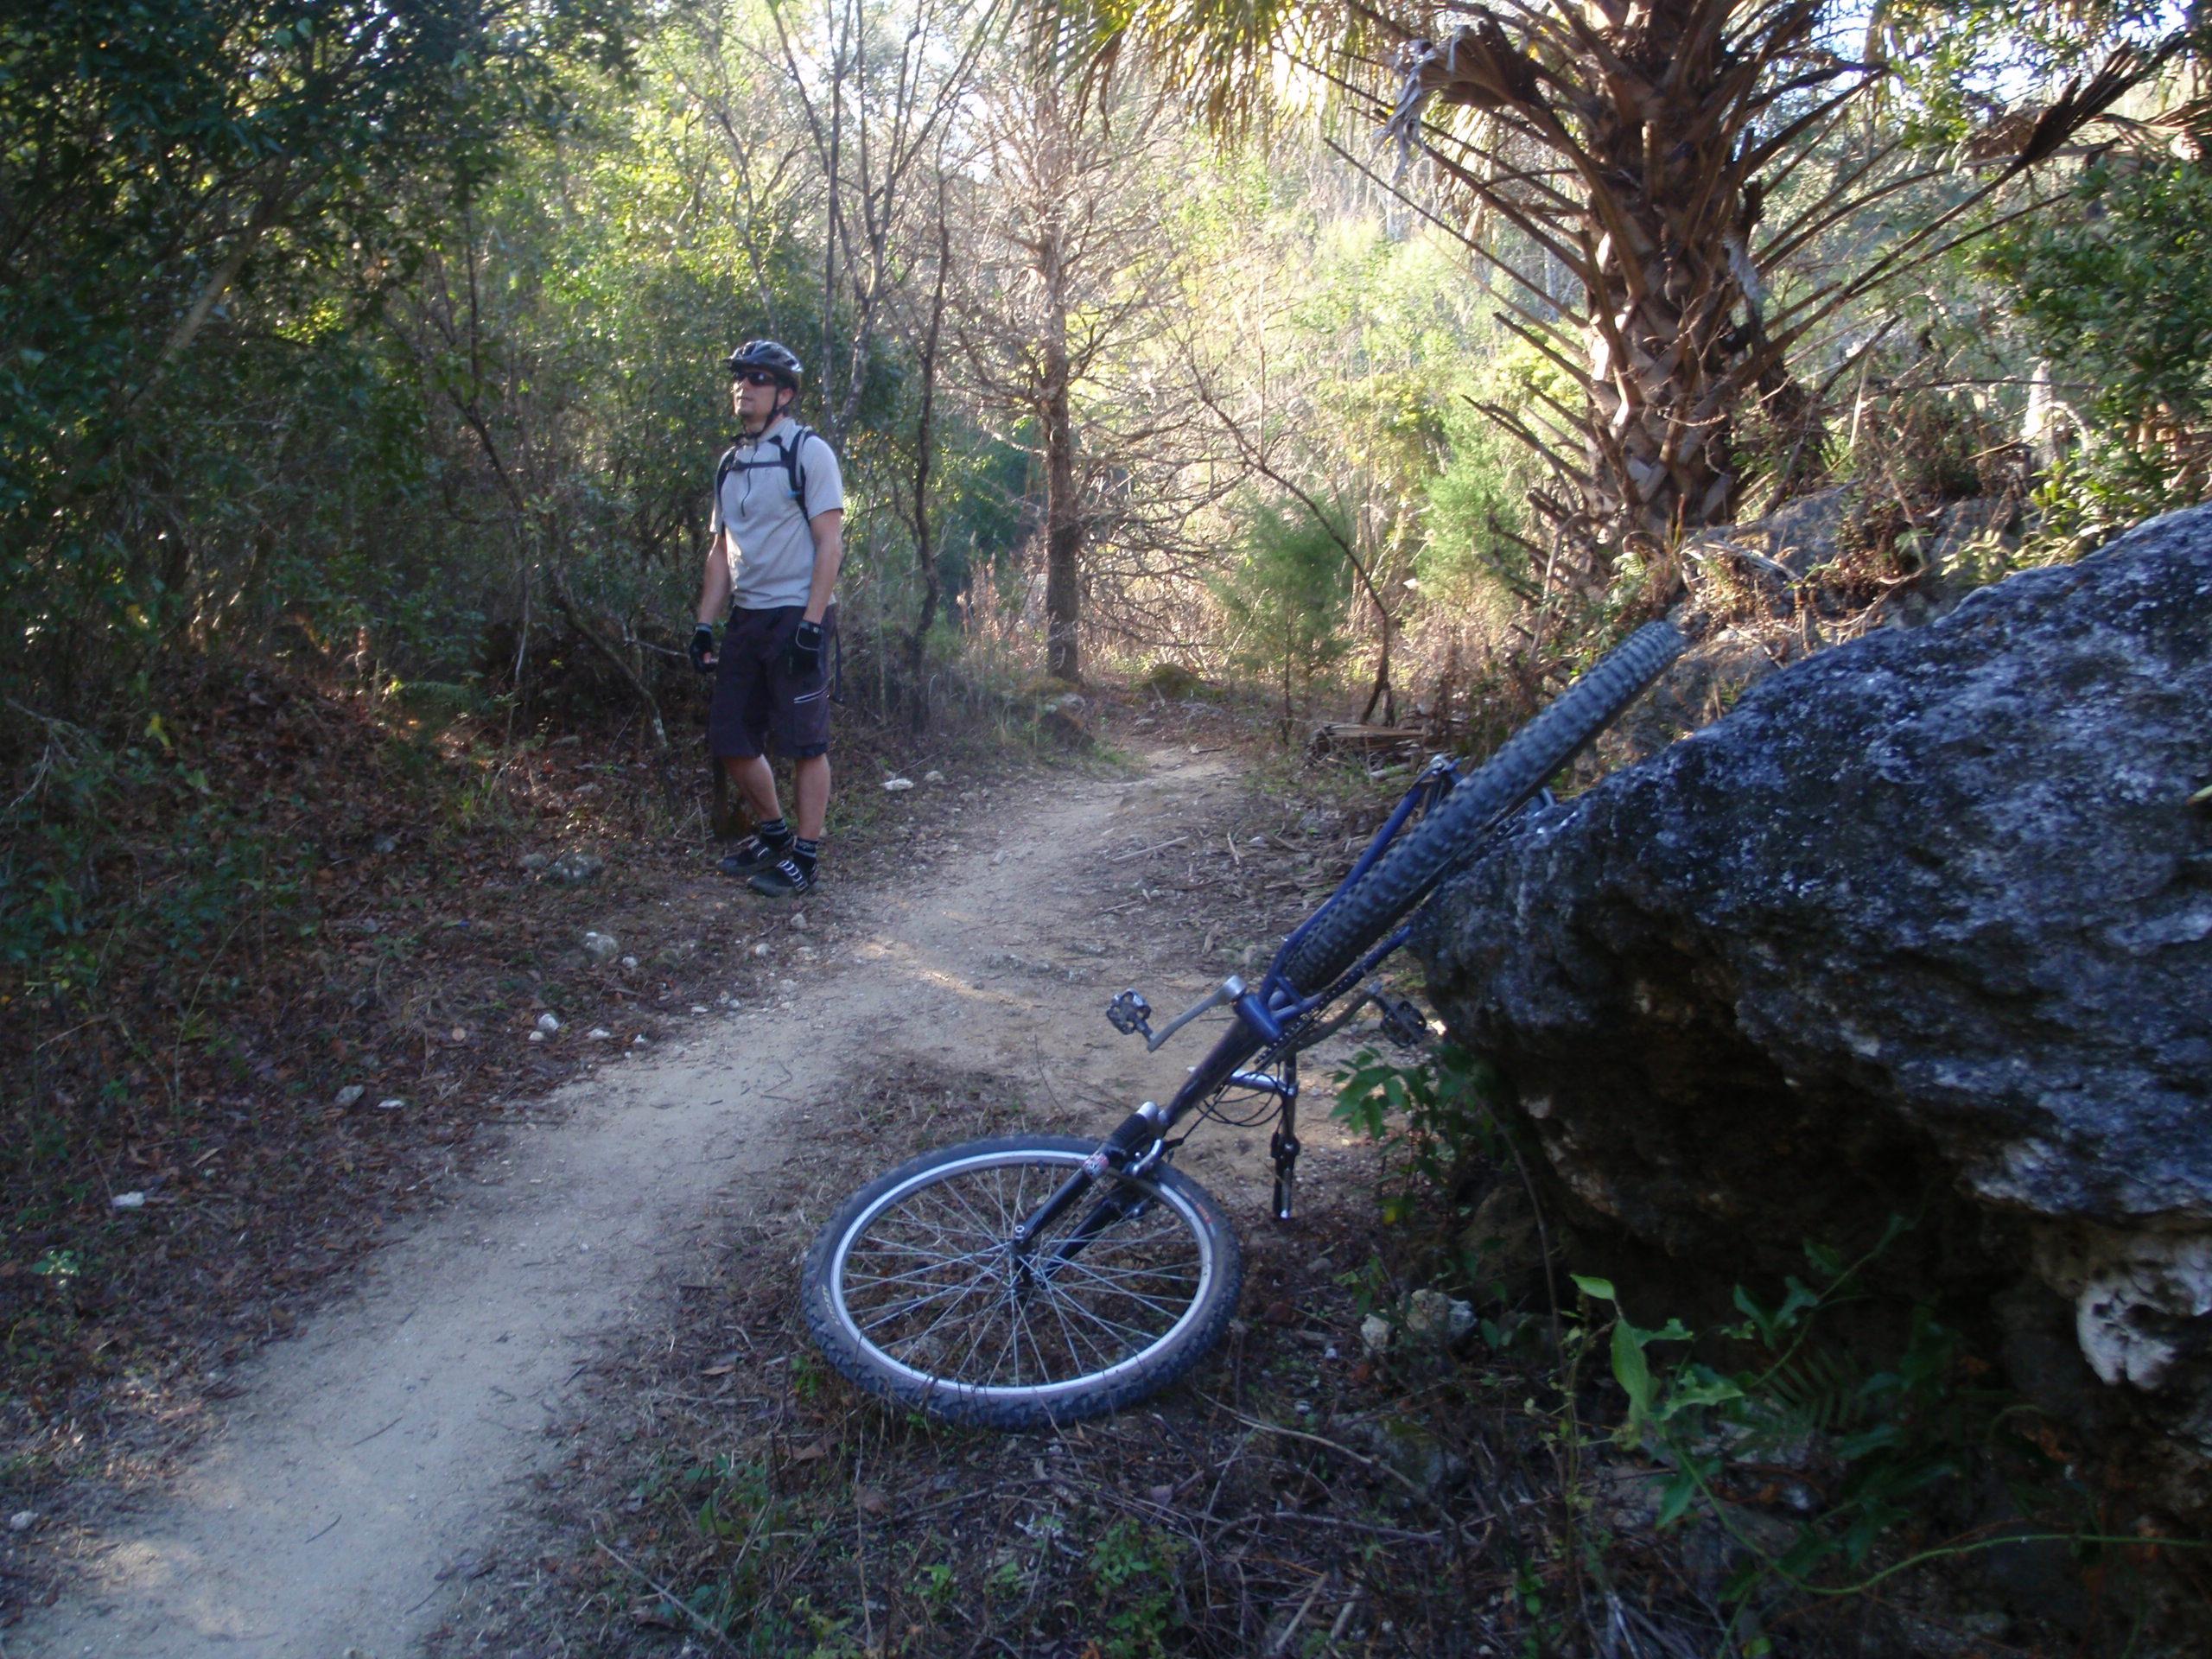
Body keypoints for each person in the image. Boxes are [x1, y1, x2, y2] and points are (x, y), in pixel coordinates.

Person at [688, 340, 844, 897]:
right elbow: (720, 551)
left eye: (757, 378)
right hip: (747, 618)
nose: (744, 386)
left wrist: (812, 621)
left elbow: (830, 543)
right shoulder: (730, 463)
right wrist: (705, 623)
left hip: (795, 614)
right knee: (730, 737)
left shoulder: (808, 452)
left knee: (805, 743)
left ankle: (806, 855)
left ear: (785, 393)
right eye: (740, 377)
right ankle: (774, 834)